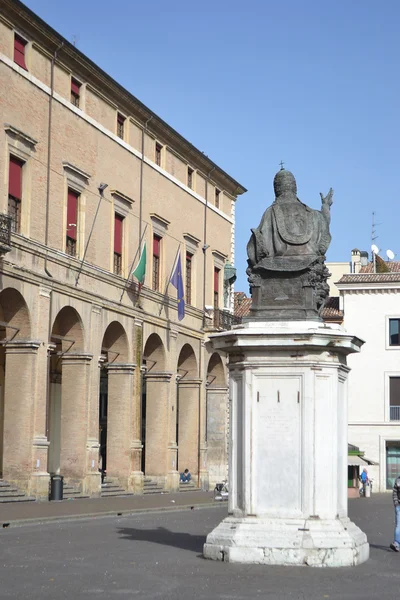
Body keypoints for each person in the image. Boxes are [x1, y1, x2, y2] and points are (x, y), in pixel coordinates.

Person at [390, 475, 400, 552]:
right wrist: (396, 504)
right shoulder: (398, 480)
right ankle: (396, 543)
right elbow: (395, 492)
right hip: (399, 506)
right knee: (398, 525)